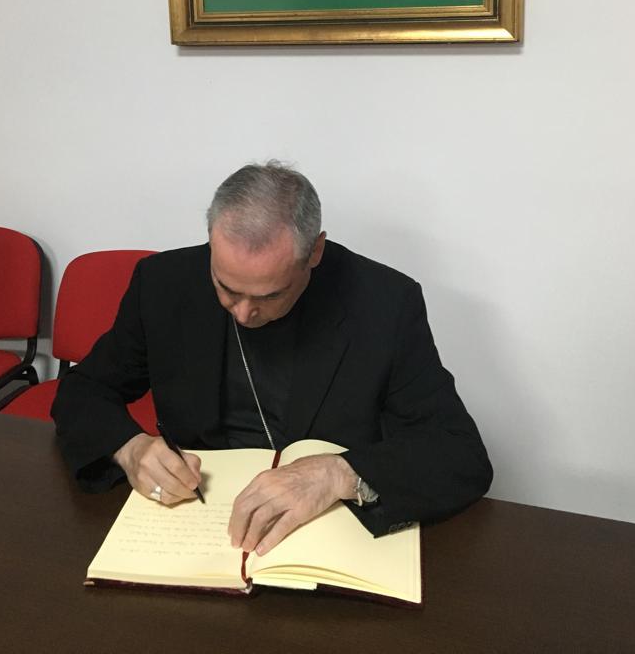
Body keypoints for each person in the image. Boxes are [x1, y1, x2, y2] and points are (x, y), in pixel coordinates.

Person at [52, 162, 492, 555]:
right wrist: (129, 448)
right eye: (226, 288)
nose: (243, 313)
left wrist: (339, 474)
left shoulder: (384, 303)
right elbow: (83, 389)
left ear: (314, 252)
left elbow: (460, 453)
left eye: (269, 295)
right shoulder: (163, 284)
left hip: (322, 532)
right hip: (196, 524)